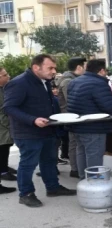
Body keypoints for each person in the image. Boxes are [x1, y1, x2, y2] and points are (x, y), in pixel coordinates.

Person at [3, 54, 77, 208]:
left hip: (47, 129)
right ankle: (26, 194)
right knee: (27, 164)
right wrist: (33, 120)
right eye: (50, 67)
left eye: (54, 68)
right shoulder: (19, 83)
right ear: (36, 67)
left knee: (49, 161)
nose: (54, 71)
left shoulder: (44, 81)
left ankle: (53, 188)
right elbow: (9, 108)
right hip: (28, 133)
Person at [67, 59, 112, 179]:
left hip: (76, 124)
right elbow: (108, 105)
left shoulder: (75, 81)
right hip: (94, 126)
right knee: (94, 154)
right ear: (101, 70)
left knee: (81, 152)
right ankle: (93, 182)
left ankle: (83, 179)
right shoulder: (99, 83)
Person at [55, 57, 86, 178]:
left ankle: (78, 168)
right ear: (79, 67)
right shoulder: (68, 81)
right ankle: (75, 169)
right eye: (85, 66)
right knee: (74, 143)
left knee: (77, 143)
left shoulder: (74, 79)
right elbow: (72, 101)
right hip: (71, 116)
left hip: (75, 115)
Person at [0, 67, 16, 194]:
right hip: (2, 126)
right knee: (2, 148)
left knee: (5, 147)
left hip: (4, 125)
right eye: (5, 75)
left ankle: (4, 168)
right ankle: (3, 171)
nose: (8, 76)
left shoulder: (3, 89)